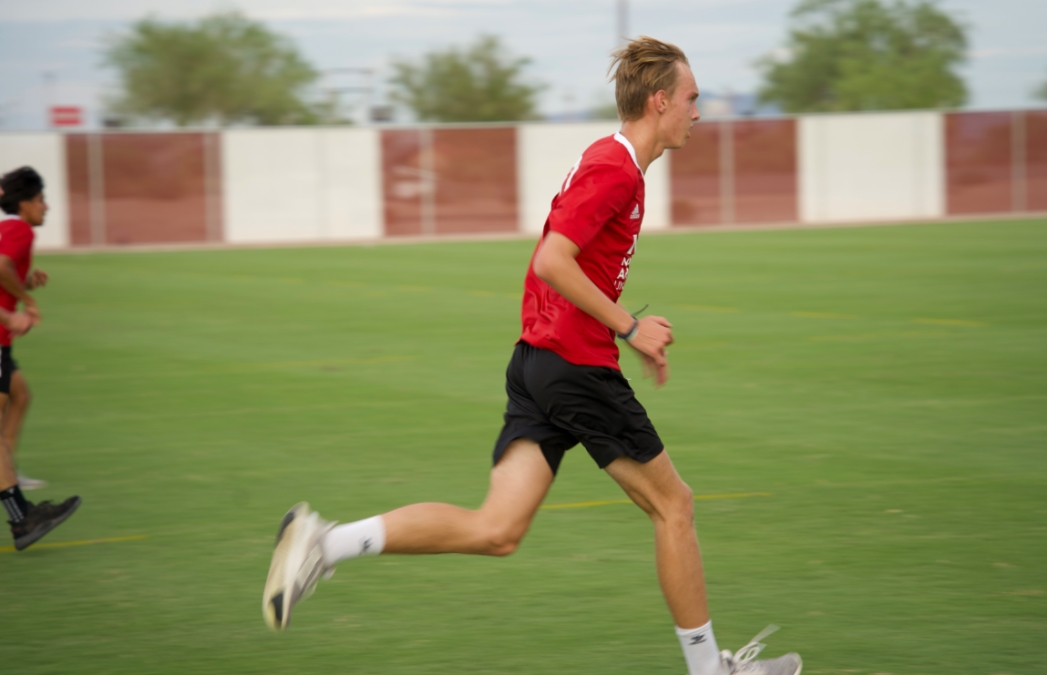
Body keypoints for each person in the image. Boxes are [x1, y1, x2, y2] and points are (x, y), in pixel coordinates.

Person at [263, 37, 801, 675]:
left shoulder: (612, 161)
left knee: (497, 529)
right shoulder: (617, 167)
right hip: (573, 367)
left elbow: (563, 263)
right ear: (660, 101)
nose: (698, 112)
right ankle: (712, 671)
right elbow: (551, 260)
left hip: (541, 363)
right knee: (674, 505)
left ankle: (323, 543)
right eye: (691, 98)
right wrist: (630, 328)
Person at [0, 166, 81, 551]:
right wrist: (25, 304)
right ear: (26, 203)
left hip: (3, 345)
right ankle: (22, 519)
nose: (46, 207)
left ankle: (20, 511)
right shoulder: (20, 230)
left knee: (19, 397)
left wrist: (25, 283)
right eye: (42, 200)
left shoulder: (8, 230)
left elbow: (5, 272)